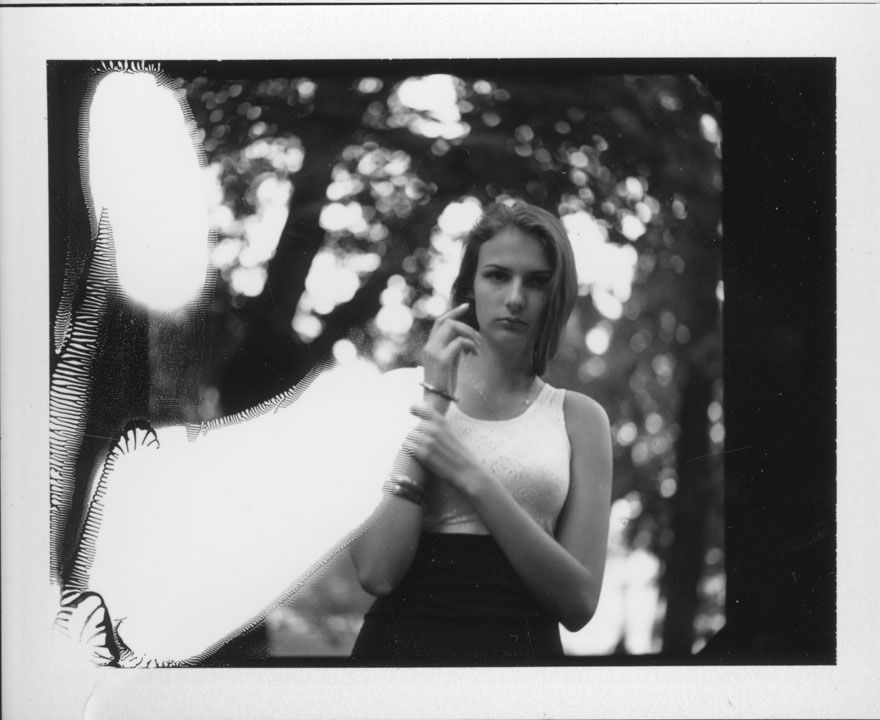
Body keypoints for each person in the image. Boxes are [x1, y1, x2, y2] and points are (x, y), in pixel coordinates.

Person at [349, 200, 613, 664]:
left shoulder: (580, 418)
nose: (516, 298)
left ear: (557, 294)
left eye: (537, 281)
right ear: (469, 285)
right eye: (497, 276)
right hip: (400, 656)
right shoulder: (398, 395)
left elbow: (580, 603)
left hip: (522, 662)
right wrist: (434, 393)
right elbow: (377, 571)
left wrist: (473, 478)